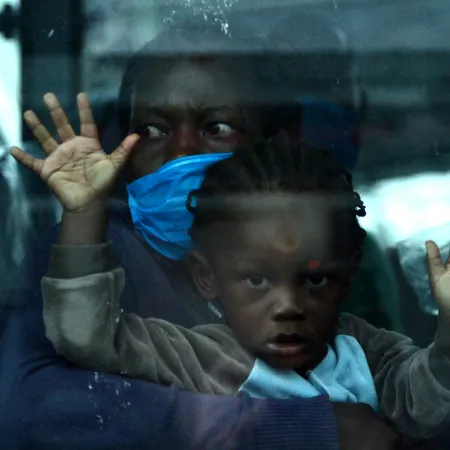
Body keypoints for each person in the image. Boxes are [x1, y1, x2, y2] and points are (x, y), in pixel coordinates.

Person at [0, 25, 404, 450]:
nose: (180, 153)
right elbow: (33, 412)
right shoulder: (88, 257)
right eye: (153, 130)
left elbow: (404, 393)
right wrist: (301, 427)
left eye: (218, 127)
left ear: (274, 144)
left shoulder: (323, 261)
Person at [19, 129, 450, 444]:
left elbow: (425, 405)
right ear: (208, 276)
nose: (288, 306)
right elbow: (84, 335)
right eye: (257, 279)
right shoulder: (198, 358)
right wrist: (84, 216)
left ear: (348, 276)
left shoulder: (364, 350)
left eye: (315, 279)